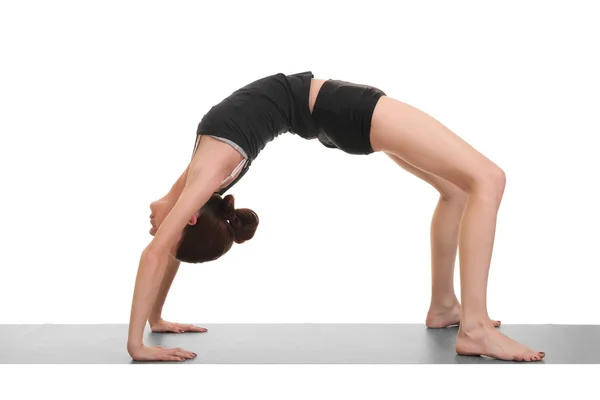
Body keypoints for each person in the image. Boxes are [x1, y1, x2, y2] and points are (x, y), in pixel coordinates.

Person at [127, 71, 545, 362]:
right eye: (169, 230)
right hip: (339, 109)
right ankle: (474, 329)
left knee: (454, 190)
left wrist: (156, 318)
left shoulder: (199, 182)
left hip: (330, 115)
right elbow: (156, 253)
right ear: (191, 220)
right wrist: (136, 345)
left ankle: (444, 307)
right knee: (488, 179)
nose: (154, 228)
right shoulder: (206, 175)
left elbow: (166, 251)